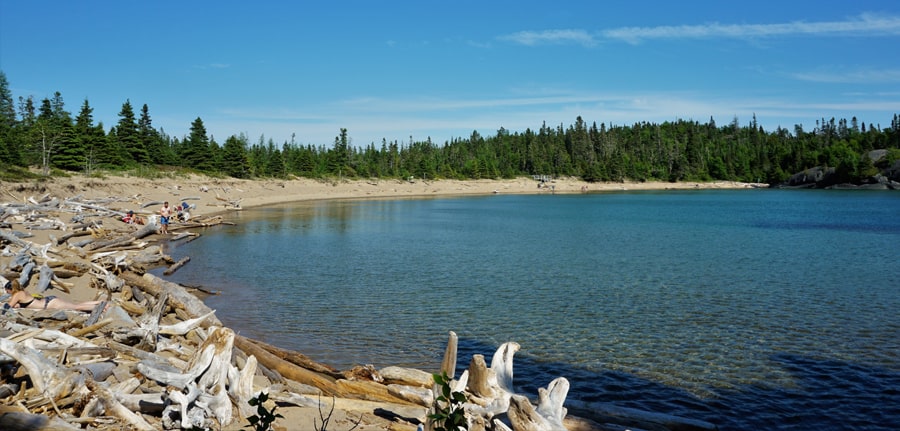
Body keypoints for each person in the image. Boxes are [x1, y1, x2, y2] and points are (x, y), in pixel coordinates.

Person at [4, 279, 106, 312]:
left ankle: (102, 307)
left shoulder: (17, 294)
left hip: (50, 304)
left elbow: (8, 307)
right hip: (50, 301)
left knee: (77, 307)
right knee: (76, 305)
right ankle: (99, 302)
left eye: (7, 291)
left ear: (11, 289)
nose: (7, 292)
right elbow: (22, 304)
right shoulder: (23, 292)